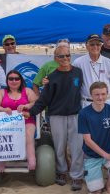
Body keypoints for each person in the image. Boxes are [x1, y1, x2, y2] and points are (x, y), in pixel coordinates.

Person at [24, 45, 84, 191]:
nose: (65, 59)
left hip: (76, 115)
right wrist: (31, 112)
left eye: (68, 55)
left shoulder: (78, 72)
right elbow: (43, 100)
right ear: (55, 58)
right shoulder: (51, 78)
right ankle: (62, 172)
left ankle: (76, 176)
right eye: (61, 56)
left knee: (77, 148)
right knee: (59, 147)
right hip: (56, 116)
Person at [78, 82, 110, 194]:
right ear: (91, 95)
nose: (100, 97)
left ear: (107, 94)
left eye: (103, 94)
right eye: (97, 94)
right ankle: (98, 186)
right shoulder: (83, 113)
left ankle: (109, 186)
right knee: (96, 191)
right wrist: (106, 155)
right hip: (91, 155)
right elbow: (88, 141)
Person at [0, 70, 38, 170]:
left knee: (28, 135)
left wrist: (26, 106)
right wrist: (3, 109)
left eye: (16, 79)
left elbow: (36, 102)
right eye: (11, 79)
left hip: (26, 119)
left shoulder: (27, 91)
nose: (14, 81)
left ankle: (31, 158)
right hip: (7, 122)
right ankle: (3, 159)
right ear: (7, 80)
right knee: (4, 136)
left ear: (20, 80)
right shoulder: (2, 92)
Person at [73, 34, 110, 108]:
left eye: (98, 44)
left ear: (101, 46)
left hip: (107, 103)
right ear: (86, 46)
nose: (95, 47)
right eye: (92, 44)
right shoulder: (78, 63)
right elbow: (74, 84)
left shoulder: (109, 62)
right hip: (87, 104)